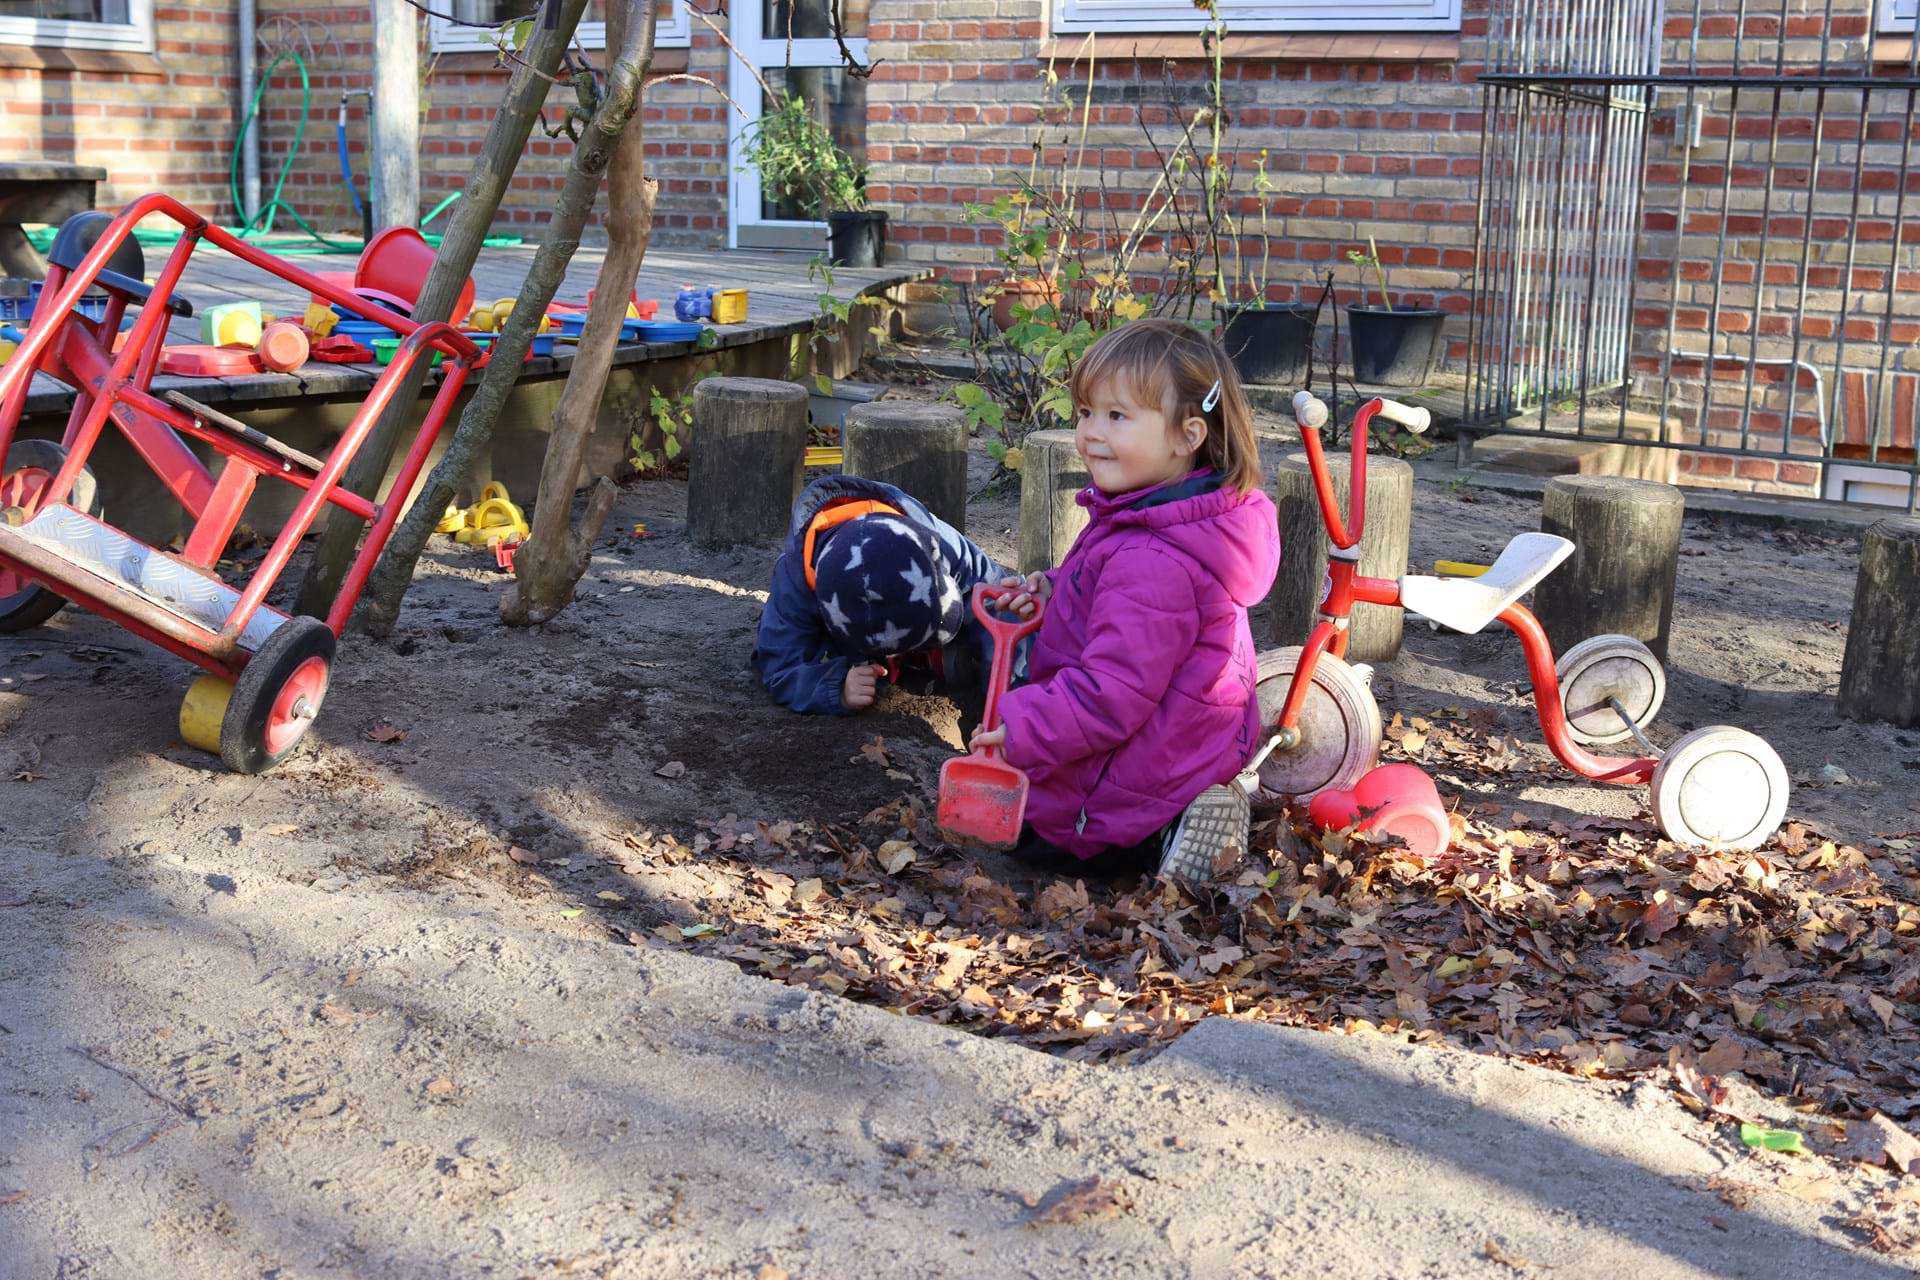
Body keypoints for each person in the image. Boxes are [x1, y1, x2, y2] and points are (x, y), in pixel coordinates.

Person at [974, 317, 1280, 877]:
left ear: (1189, 435)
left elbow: (1111, 695)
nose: (1091, 433)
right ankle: (1186, 804)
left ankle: (1162, 836)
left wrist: (1022, 728)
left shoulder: (1152, 557)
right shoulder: (1168, 513)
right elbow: (1121, 612)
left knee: (1036, 837)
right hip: (1186, 739)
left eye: (1117, 417)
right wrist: (1056, 588)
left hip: (1134, 772)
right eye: (1086, 412)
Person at [753, 473, 1012, 716]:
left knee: (980, 637)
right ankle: (901, 659)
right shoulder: (794, 583)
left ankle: (929, 652)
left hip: (905, 616)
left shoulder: (938, 541)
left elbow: (1002, 600)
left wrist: (1011, 703)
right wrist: (838, 688)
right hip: (850, 642)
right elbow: (780, 666)